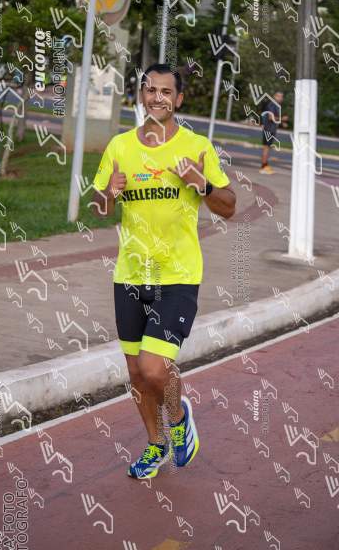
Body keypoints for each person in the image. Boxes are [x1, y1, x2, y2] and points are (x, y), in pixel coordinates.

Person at [90, 63, 236, 479]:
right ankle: (156, 445)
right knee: (137, 372)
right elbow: (99, 206)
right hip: (130, 275)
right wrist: (108, 194)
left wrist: (202, 184)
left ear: (179, 99)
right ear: (141, 95)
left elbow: (229, 206)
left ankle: (179, 417)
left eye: (166, 91)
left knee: (155, 367)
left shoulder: (196, 147)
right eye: (150, 90)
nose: (157, 97)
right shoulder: (120, 146)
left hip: (177, 275)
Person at [259, 91, 289, 174]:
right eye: (278, 96)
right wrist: (282, 119)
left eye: (281, 96)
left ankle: (265, 165)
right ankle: (263, 167)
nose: (280, 98)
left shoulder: (276, 105)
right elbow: (270, 117)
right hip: (268, 129)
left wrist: (282, 123)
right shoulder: (272, 105)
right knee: (266, 147)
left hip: (271, 129)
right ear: (274, 96)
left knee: (268, 147)